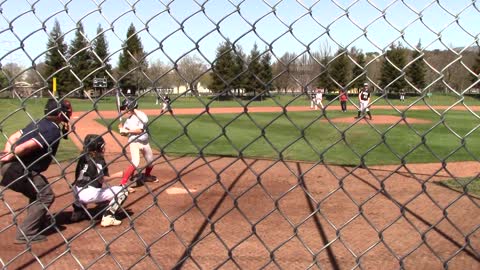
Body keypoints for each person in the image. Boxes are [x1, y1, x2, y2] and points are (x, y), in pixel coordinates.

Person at [0, 98, 72, 244]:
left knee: (40, 191)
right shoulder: (52, 129)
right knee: (45, 195)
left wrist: (8, 153)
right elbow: (27, 146)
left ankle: (39, 221)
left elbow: (14, 136)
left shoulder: (38, 122)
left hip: (16, 167)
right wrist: (10, 156)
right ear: (60, 114)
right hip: (18, 169)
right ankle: (27, 233)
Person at [71, 134, 128, 227]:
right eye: (102, 145)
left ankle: (78, 211)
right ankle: (108, 218)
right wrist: (118, 175)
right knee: (123, 191)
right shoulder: (99, 159)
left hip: (76, 190)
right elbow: (101, 179)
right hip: (89, 194)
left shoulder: (83, 156)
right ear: (99, 146)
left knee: (94, 187)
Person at [118, 97, 158, 193]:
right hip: (134, 142)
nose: (125, 110)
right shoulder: (128, 121)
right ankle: (122, 184)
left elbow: (140, 130)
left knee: (151, 162)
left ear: (131, 106)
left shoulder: (142, 115)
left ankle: (146, 176)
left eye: (126, 107)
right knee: (135, 162)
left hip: (144, 142)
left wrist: (127, 130)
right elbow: (124, 133)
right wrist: (121, 129)